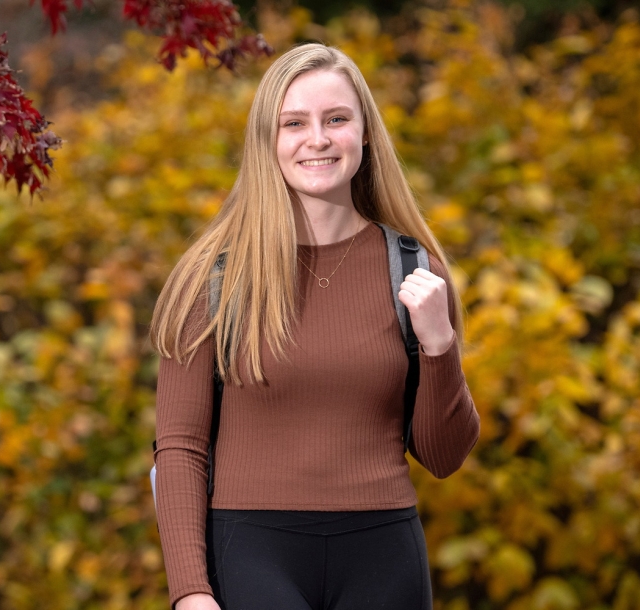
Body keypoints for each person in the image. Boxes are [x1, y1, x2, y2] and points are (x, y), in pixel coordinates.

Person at [148, 42, 481, 610]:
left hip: (385, 556)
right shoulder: (211, 277)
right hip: (251, 551)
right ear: (267, 141)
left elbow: (443, 456)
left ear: (365, 132)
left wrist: (439, 345)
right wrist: (190, 593)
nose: (318, 139)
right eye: (294, 123)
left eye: (336, 119)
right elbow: (179, 447)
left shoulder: (416, 269)